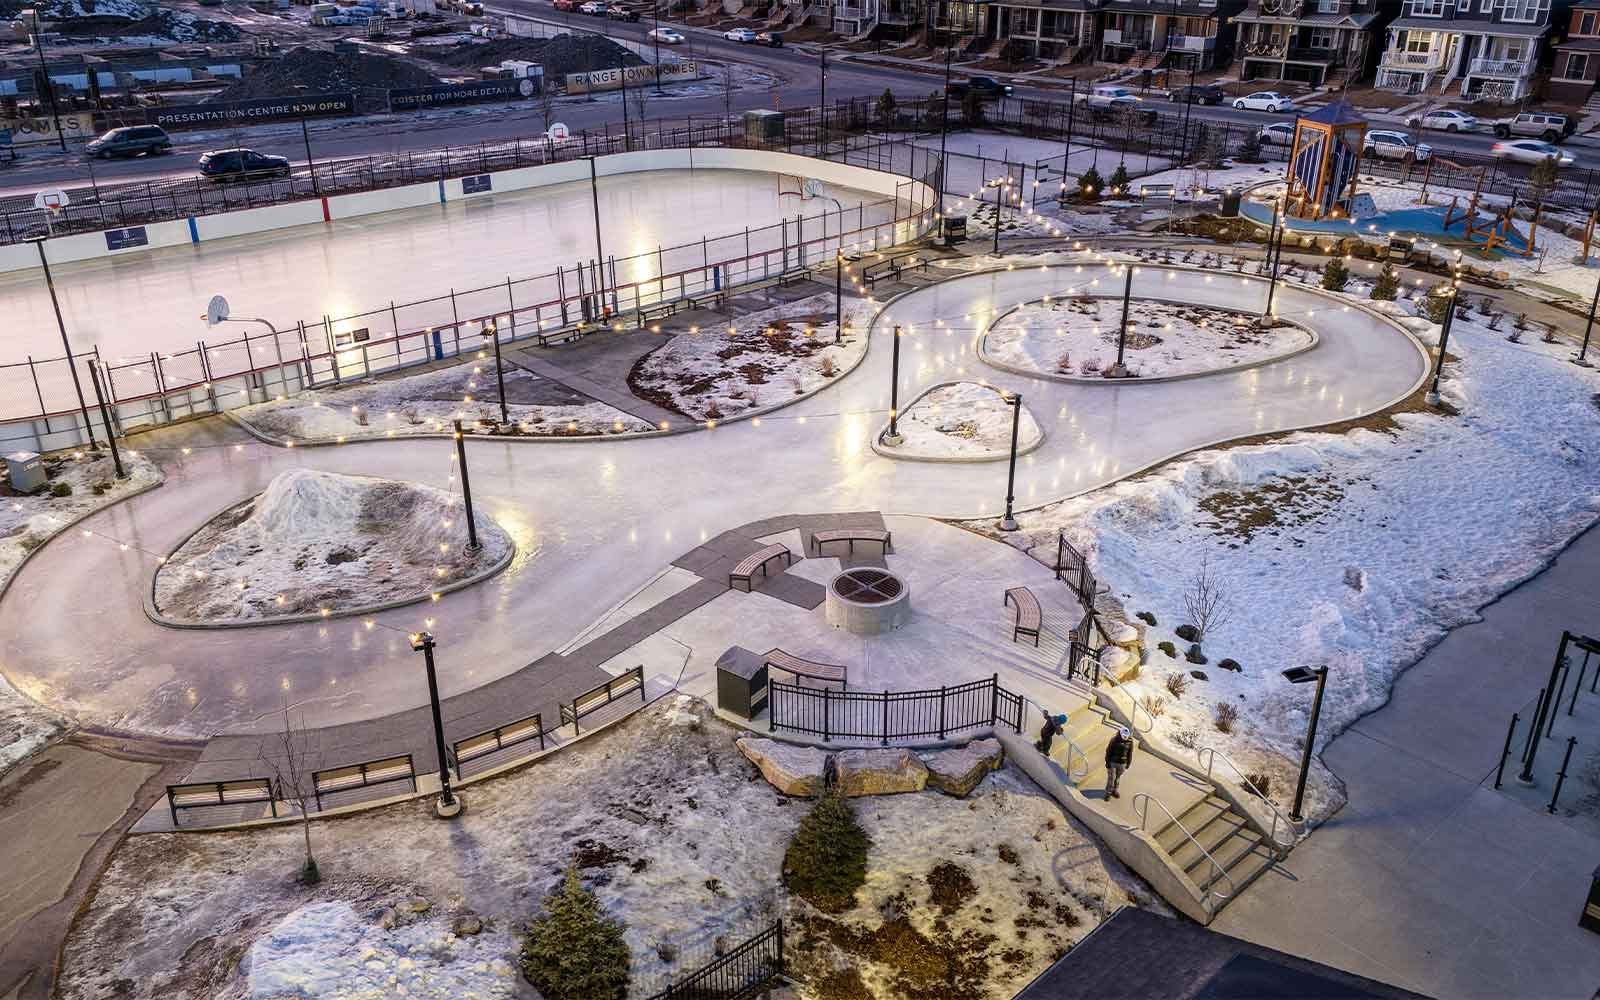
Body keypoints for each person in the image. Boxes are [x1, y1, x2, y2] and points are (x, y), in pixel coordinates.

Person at [1105, 726, 1134, 799]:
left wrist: (1128, 763)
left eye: (1126, 736)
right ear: (1120, 734)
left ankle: (1115, 791)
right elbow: (1108, 752)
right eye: (1124, 736)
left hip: (1122, 764)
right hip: (1113, 763)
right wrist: (1107, 762)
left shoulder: (1130, 741)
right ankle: (1108, 792)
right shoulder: (1114, 740)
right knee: (1111, 778)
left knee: (1117, 778)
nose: (1125, 737)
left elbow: (1130, 753)